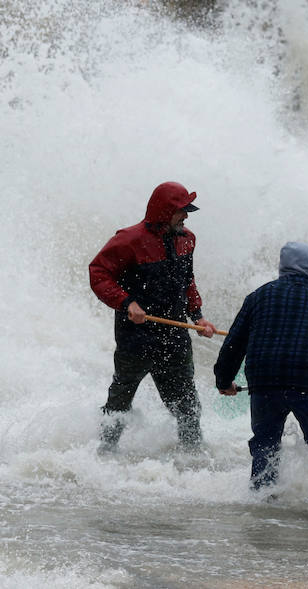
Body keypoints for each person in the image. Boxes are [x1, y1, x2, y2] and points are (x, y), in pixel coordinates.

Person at [214, 242, 308, 515]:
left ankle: (262, 498)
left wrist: (224, 381)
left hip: (264, 380)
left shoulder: (259, 296)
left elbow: (234, 344)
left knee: (265, 442)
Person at [89, 181, 218, 454]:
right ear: (163, 212)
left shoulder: (187, 240)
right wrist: (126, 302)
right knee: (120, 401)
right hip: (136, 336)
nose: (186, 216)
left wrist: (198, 317)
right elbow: (98, 273)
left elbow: (187, 282)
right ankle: (104, 454)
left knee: (187, 406)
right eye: (181, 211)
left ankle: (193, 460)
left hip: (175, 336)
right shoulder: (128, 240)